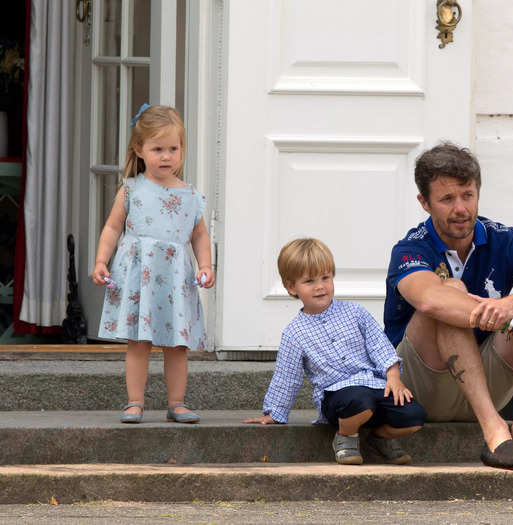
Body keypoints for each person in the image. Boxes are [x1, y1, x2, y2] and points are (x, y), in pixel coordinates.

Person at [384, 142, 513, 470]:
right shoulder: (410, 248)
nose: (461, 208)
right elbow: (428, 300)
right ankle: (495, 433)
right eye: (447, 199)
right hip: (419, 387)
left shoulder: (505, 238)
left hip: (484, 376)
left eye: (468, 195)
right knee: (449, 292)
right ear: (424, 202)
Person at [244, 238, 426, 465]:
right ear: (292, 287)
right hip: (337, 397)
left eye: (325, 278)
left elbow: (380, 345)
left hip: (374, 386)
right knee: (359, 400)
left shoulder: (355, 312)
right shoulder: (294, 333)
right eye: (309, 281)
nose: (320, 286)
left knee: (414, 415)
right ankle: (345, 436)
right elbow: (287, 377)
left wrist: (393, 376)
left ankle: (380, 438)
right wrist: (274, 413)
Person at [92, 104, 215, 424]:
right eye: (158, 149)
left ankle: (177, 402)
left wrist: (206, 265)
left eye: (173, 149)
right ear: (139, 149)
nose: (166, 156)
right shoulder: (132, 189)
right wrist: (101, 259)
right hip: (140, 276)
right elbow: (112, 228)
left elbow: (199, 234)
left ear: (182, 150)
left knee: (177, 344)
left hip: (174, 278)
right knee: (139, 341)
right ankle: (134, 402)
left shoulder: (190, 195)